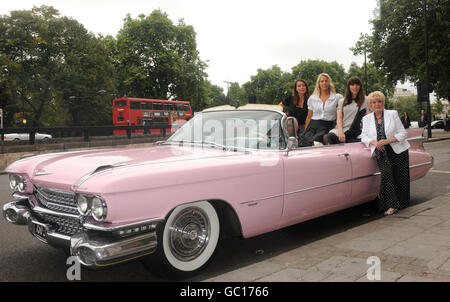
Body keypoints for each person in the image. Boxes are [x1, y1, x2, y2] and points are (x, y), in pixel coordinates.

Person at [361, 91, 411, 216]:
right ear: (370, 105)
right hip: (381, 151)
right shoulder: (366, 119)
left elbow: (403, 133)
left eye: (379, 101)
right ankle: (391, 205)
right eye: (374, 102)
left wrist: (387, 141)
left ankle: (401, 203)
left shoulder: (392, 114)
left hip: (398, 149)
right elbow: (363, 136)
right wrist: (375, 142)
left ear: (383, 103)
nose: (377, 104)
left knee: (400, 177)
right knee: (387, 174)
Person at [299, 73, 343, 146]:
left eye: (326, 81)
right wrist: (305, 131)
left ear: (329, 83)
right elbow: (309, 116)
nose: (324, 83)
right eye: (322, 81)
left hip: (327, 126)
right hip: (313, 125)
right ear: (318, 83)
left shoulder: (337, 97)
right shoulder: (312, 98)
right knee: (304, 141)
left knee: (316, 142)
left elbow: (341, 115)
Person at [323, 76, 369, 145]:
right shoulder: (342, 101)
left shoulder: (366, 100)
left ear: (360, 86)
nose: (355, 87)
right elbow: (339, 118)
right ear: (348, 87)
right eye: (352, 85)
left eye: (357, 84)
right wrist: (341, 133)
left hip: (356, 131)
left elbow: (369, 116)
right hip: (342, 129)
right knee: (327, 137)